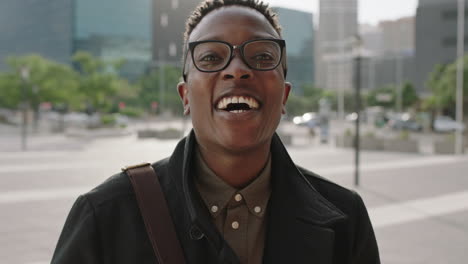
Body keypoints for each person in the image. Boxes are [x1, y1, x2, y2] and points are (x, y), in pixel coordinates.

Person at [52, 0, 380, 263]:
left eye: (262, 56)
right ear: (185, 96)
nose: (237, 70)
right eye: (211, 57)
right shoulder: (105, 215)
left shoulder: (345, 218)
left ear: (284, 96)